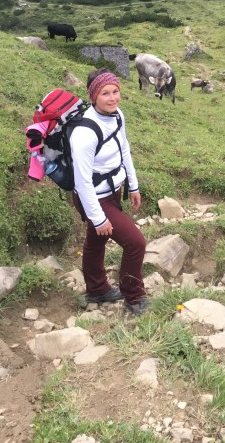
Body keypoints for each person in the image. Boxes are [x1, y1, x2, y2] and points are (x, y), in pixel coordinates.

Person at [70, 68, 148, 316]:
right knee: (135, 243)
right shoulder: (84, 133)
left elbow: (124, 150)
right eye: (105, 93)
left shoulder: (116, 116)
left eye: (116, 91)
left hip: (114, 190)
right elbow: (82, 182)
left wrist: (132, 185)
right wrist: (98, 216)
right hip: (93, 196)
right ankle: (133, 297)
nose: (112, 98)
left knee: (96, 240)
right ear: (94, 96)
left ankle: (97, 290)